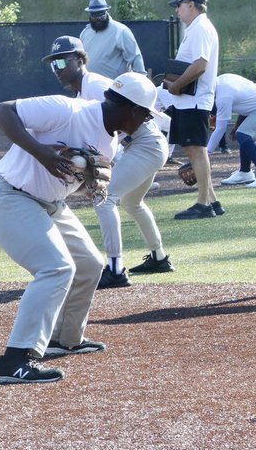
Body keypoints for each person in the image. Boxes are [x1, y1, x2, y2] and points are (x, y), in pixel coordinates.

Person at [0, 72, 165, 384]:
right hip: (8, 196)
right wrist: (41, 152)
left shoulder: (110, 142)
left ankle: (63, 339)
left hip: (51, 204)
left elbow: (74, 184)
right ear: (133, 110)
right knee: (56, 268)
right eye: (146, 115)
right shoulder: (67, 109)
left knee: (89, 265)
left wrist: (90, 185)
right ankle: (14, 359)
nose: (147, 121)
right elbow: (1, 111)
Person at [42, 40, 173, 289]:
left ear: (80, 60)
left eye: (63, 61)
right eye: (53, 64)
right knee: (132, 203)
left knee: (104, 197)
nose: (58, 68)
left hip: (146, 145)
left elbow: (128, 117)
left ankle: (115, 269)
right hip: (143, 146)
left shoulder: (95, 85)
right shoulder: (83, 91)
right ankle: (159, 257)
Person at [165, 0, 222, 220]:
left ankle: (203, 204)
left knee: (196, 150)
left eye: (178, 6)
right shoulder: (197, 27)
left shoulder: (200, 27)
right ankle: (212, 201)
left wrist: (177, 85)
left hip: (195, 100)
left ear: (190, 5)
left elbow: (200, 65)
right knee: (192, 149)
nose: (177, 11)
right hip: (190, 100)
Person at [210, 73, 256, 188]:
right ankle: (245, 172)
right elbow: (247, 102)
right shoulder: (223, 78)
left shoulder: (222, 97)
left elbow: (220, 129)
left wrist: (206, 153)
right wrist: (237, 126)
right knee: (242, 134)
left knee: (243, 135)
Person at [78, 0, 145, 79]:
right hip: (90, 84)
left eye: (101, 14)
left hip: (115, 85)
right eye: (94, 15)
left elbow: (135, 57)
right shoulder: (85, 33)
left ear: (107, 12)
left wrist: (142, 80)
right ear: (89, 15)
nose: (98, 18)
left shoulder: (120, 30)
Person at [44, 36, 112, 102]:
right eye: (54, 64)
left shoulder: (95, 87)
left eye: (61, 63)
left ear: (80, 62)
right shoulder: (81, 91)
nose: (57, 70)